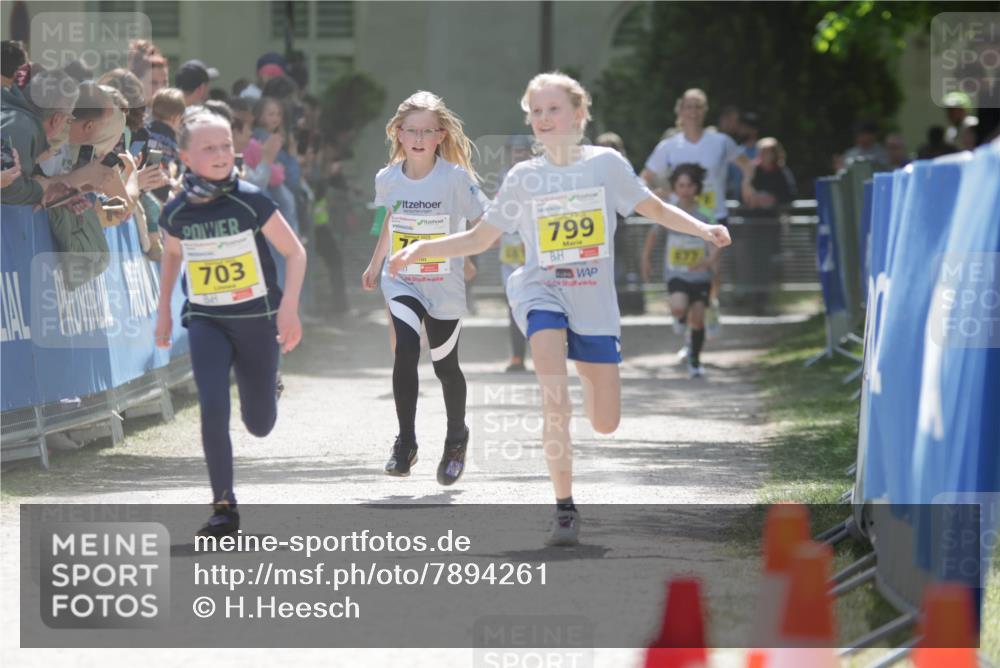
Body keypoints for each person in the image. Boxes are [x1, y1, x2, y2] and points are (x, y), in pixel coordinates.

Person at [388, 73, 731, 545]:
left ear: (579, 114)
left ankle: (590, 403)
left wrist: (703, 228)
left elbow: (653, 207)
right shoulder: (524, 177)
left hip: (594, 303)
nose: (544, 119)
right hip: (540, 291)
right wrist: (420, 250)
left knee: (604, 421)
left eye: (554, 110)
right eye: (536, 112)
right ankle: (565, 508)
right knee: (554, 395)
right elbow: (479, 238)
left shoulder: (606, 166)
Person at [153, 109, 306, 537]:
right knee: (213, 407)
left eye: (226, 146)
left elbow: (295, 253)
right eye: (209, 148)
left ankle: (268, 381)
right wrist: (165, 308)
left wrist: (289, 307)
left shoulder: (250, 199)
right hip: (207, 320)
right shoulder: (177, 210)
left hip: (257, 320)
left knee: (259, 424)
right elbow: (170, 255)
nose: (221, 154)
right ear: (185, 155)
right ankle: (224, 506)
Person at [361, 91, 488, 486]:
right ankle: (406, 443)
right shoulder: (386, 178)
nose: (417, 138)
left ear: (440, 135)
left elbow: (485, 221)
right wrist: (375, 261)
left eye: (426, 131)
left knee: (445, 367)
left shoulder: (455, 178)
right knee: (406, 351)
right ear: (398, 133)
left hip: (443, 286)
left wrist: (466, 255)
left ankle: (456, 439)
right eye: (410, 130)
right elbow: (385, 221)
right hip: (402, 280)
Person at [640, 88, 753, 340]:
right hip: (680, 217)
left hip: (714, 215)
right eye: (688, 106)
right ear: (680, 111)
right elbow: (642, 177)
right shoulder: (669, 145)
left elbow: (746, 164)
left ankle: (710, 305)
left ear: (705, 111)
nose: (692, 111)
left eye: (698, 106)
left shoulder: (720, 142)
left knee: (713, 273)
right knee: (684, 272)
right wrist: (654, 194)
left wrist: (747, 183)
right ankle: (686, 323)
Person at [640, 163, 719, 377]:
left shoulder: (705, 214)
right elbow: (653, 235)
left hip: (700, 275)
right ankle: (679, 318)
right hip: (676, 273)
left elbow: (715, 241)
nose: (685, 190)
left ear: (697, 188)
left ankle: (695, 361)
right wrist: (646, 259)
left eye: (690, 185)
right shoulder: (668, 212)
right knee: (678, 307)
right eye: (681, 185)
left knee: (698, 318)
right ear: (674, 188)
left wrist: (709, 261)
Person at [0, 68, 79, 205]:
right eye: (68, 120)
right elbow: (8, 188)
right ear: (57, 119)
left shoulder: (15, 112)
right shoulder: (22, 129)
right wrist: (41, 188)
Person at [497, 134, 535, 372]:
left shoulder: (539, 176)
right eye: (515, 151)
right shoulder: (501, 177)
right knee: (513, 304)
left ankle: (545, 355)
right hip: (509, 253)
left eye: (523, 151)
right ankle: (517, 358)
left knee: (538, 304)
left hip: (533, 248)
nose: (519, 155)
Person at [747, 137, 796, 208]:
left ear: (775, 153)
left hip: (776, 215)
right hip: (753, 215)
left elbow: (791, 193)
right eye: (762, 152)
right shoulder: (751, 170)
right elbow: (742, 193)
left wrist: (774, 199)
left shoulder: (782, 171)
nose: (765, 155)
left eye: (768, 152)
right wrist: (754, 198)